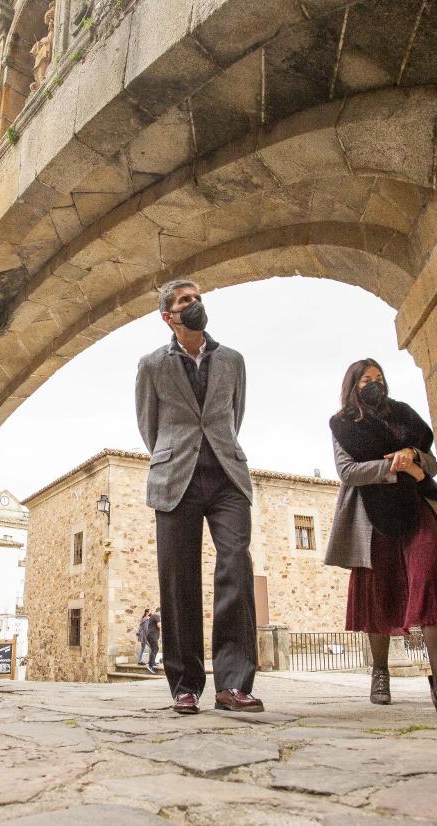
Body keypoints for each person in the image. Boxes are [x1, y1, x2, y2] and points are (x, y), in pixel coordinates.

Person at [324, 358, 437, 715]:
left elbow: (432, 462)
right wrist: (395, 467)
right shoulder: (343, 425)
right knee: (377, 591)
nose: (374, 383)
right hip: (371, 514)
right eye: (366, 379)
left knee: (430, 579)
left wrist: (413, 456)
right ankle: (380, 672)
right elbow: (348, 472)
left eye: (379, 378)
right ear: (353, 385)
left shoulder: (405, 415)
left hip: (417, 507)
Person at [135, 279, 262, 715]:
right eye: (185, 301)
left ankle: (233, 684)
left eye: (198, 298)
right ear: (168, 316)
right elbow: (149, 427)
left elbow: (234, 416)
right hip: (175, 480)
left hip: (227, 477)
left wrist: (216, 448)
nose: (195, 304)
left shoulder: (233, 361)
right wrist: (176, 455)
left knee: (235, 569)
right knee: (178, 580)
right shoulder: (151, 365)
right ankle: (185, 685)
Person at [140, 608, 161, 674]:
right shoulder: (157, 616)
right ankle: (150, 665)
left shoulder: (152, 616)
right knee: (154, 648)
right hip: (153, 635)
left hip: (150, 635)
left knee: (155, 648)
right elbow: (159, 625)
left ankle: (153, 662)